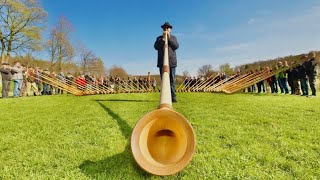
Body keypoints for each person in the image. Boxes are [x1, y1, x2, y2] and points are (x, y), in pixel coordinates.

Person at [154, 22, 179, 102]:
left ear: (170, 29)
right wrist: (163, 39)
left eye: (168, 28)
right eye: (164, 28)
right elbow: (156, 47)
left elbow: (176, 46)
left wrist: (169, 38)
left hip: (172, 63)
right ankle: (164, 98)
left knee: (172, 81)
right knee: (164, 80)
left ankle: (173, 98)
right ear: (162, 29)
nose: (166, 29)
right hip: (162, 63)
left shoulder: (174, 38)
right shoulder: (159, 38)